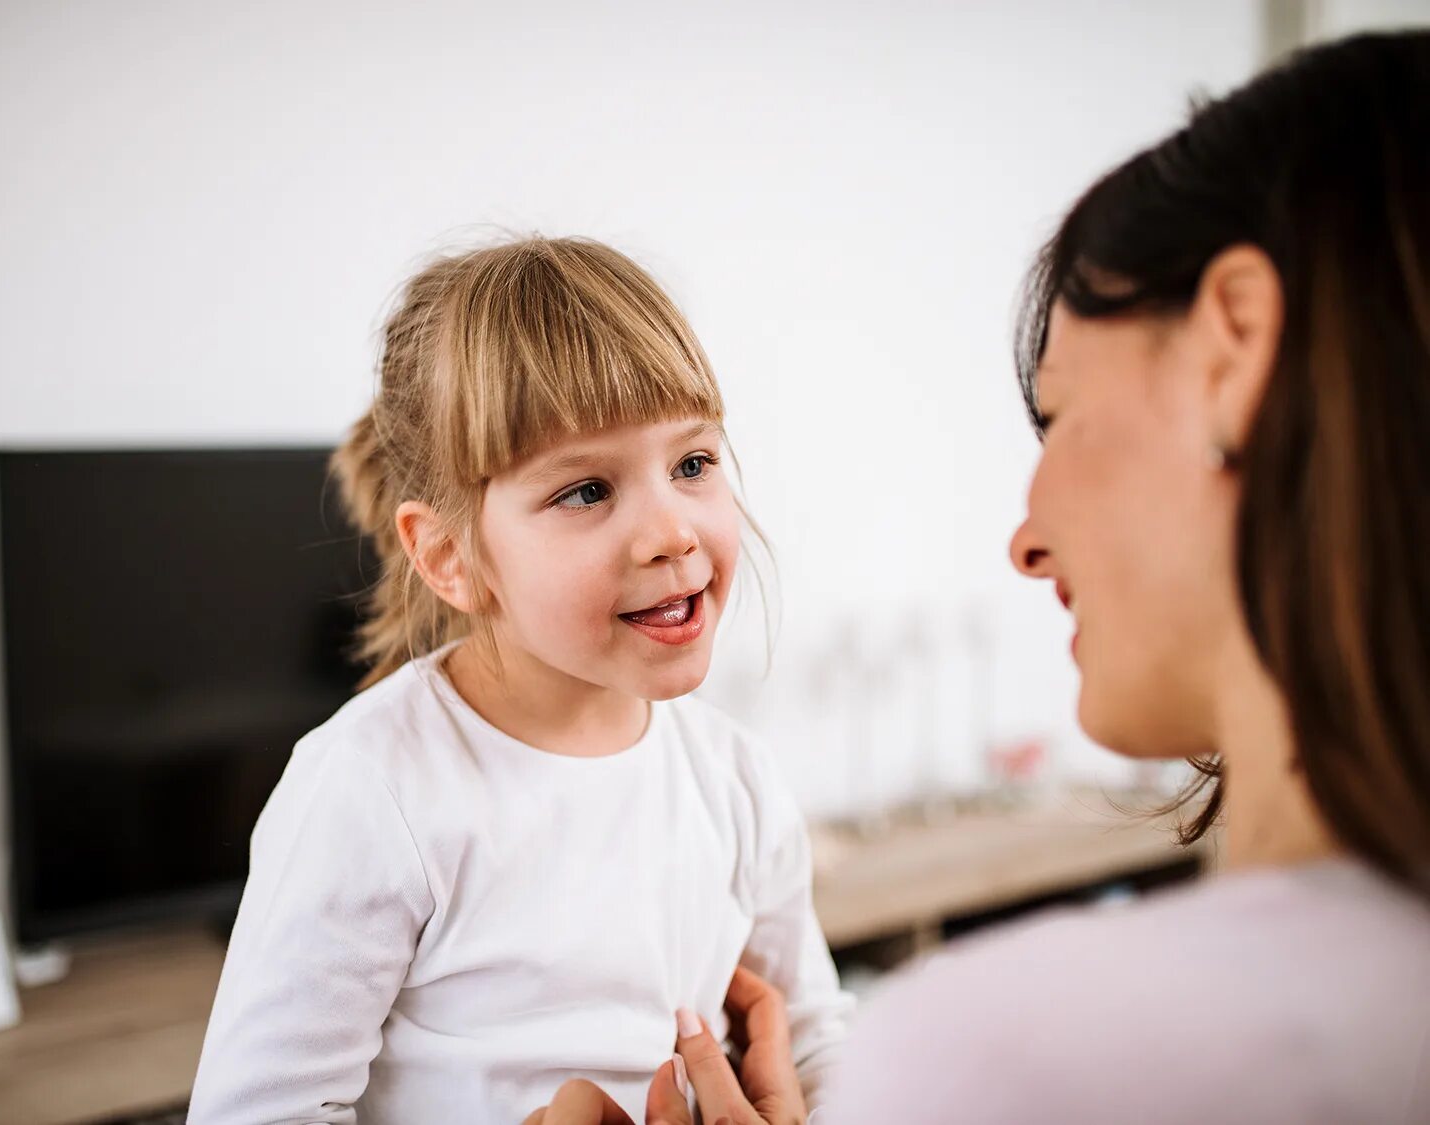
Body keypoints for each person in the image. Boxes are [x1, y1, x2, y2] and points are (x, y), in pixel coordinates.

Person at [526, 29, 1430, 1125]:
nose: (1026, 538)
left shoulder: (1003, 1061)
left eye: (1062, 416)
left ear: (1234, 347)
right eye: (585, 491)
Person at [187, 237, 851, 1124]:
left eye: (693, 464)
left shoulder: (736, 781)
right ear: (453, 557)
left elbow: (813, 1041)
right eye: (585, 491)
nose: (672, 532)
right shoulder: (370, 789)